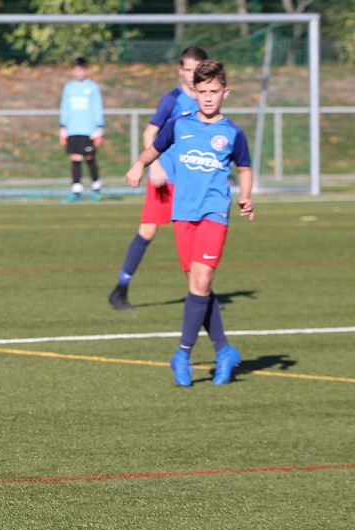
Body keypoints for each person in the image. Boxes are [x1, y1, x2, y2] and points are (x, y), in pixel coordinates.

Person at [125, 60, 252, 387]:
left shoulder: (232, 132)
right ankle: (224, 350)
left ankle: (182, 353)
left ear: (225, 92)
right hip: (183, 214)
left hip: (214, 213)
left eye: (215, 91)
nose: (209, 97)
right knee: (199, 287)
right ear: (194, 91)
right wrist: (139, 165)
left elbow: (244, 167)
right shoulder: (179, 125)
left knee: (202, 281)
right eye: (203, 91)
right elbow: (153, 150)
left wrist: (246, 196)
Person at [108, 46, 208, 310]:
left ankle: (201, 293)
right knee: (148, 231)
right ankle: (120, 288)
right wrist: (156, 166)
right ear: (180, 70)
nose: (192, 75)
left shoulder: (207, 99)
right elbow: (149, 133)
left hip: (191, 182)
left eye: (197, 70)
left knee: (194, 234)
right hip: (167, 179)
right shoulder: (172, 99)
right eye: (188, 70)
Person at [59, 57, 105, 202]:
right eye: (76, 70)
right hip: (73, 129)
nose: (79, 73)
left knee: (90, 158)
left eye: (82, 70)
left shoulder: (92, 87)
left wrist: (99, 127)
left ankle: (96, 189)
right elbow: (65, 107)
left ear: (86, 70)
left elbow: (97, 106)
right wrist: (63, 127)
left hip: (88, 129)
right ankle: (76, 191)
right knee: (75, 158)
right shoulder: (69, 87)